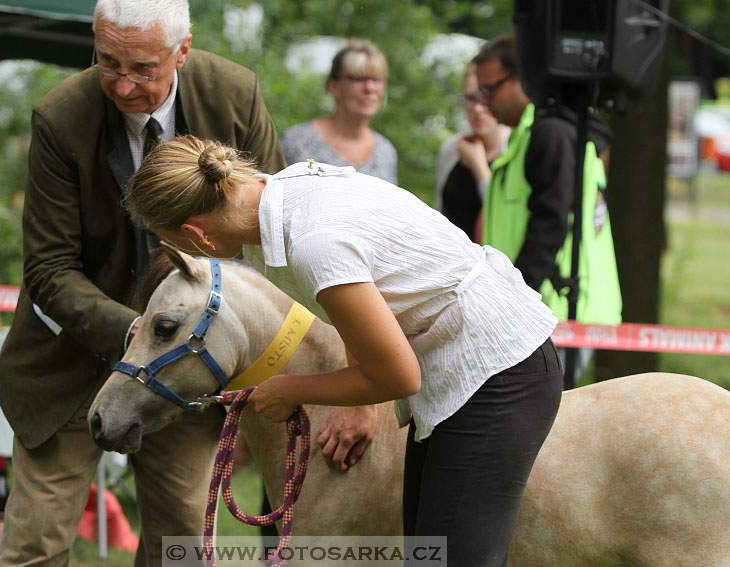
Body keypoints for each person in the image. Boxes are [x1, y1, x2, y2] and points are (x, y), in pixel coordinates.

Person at [128, 135, 564, 566]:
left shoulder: (313, 242)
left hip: (497, 369)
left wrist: (290, 388)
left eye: (176, 243)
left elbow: (398, 377)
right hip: (460, 371)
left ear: (196, 234)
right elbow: (368, 298)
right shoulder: (284, 194)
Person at [0, 1, 286, 565]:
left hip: (188, 361)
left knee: (179, 546)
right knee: (36, 544)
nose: (123, 86)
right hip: (70, 361)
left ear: (183, 50)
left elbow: (269, 234)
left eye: (144, 69)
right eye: (108, 63)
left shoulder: (234, 94)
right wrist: (143, 332)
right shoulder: (60, 116)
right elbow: (48, 270)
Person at [473, 36, 622, 384]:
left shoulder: (550, 133)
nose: (483, 102)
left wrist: (515, 300)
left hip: (550, 309)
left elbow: (550, 224)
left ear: (522, 80)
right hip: (545, 307)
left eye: (489, 90)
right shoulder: (536, 133)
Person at [280, 39, 398, 183]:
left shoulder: (385, 151)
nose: (370, 88)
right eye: (358, 79)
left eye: (377, 80)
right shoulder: (296, 142)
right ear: (333, 85)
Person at [435, 62, 509, 242]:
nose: (477, 109)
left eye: (484, 96)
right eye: (470, 99)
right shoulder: (451, 148)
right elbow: (438, 212)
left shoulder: (513, 147)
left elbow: (503, 218)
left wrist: (479, 167)